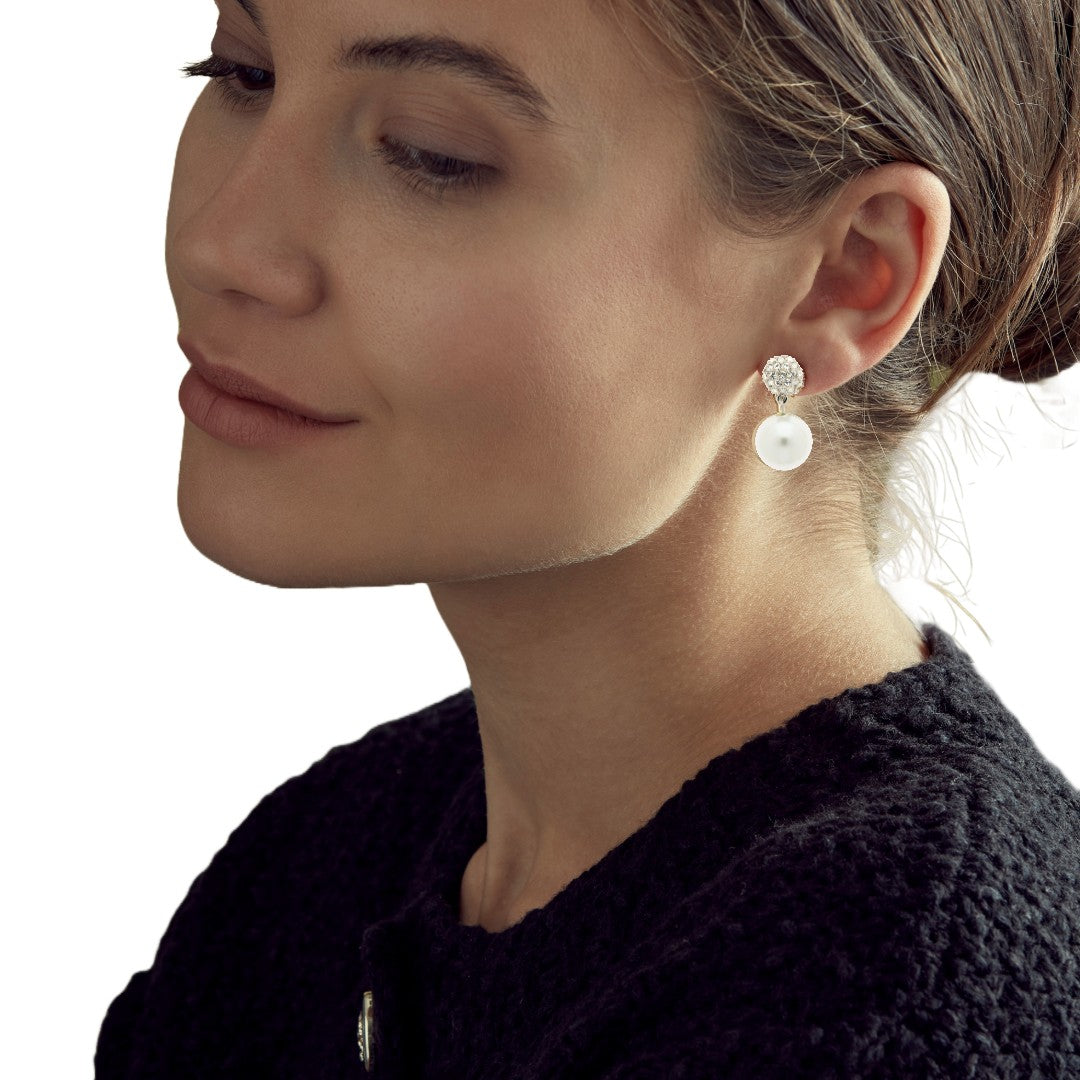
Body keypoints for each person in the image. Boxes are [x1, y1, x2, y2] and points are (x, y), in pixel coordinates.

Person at [97, 0, 1079, 1075]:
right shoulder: (319, 871)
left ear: (848, 275)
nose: (221, 244)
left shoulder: (894, 1010)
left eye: (436, 154)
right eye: (243, 74)